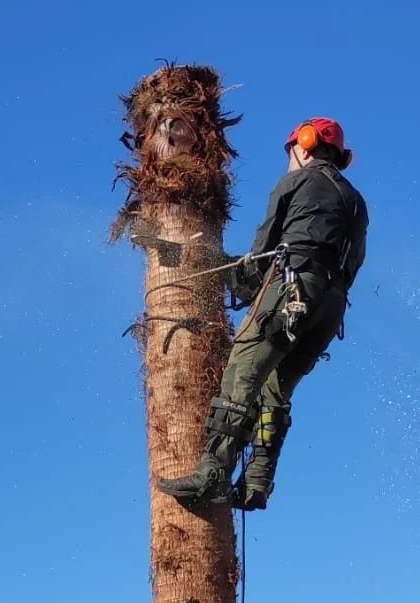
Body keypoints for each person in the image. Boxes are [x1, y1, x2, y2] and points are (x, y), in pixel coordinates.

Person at [157, 117, 369, 510]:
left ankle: (212, 474)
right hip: (329, 307)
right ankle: (256, 485)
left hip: (291, 290)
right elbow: (353, 262)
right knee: (276, 390)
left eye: (291, 150)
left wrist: (229, 273)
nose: (290, 157)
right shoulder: (356, 201)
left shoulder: (295, 182)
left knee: (241, 375)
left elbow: (261, 256)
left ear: (304, 145)